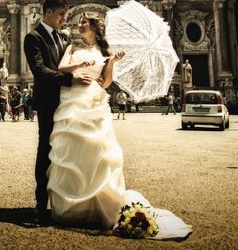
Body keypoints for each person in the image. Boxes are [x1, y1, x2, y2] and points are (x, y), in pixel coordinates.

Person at [46, 12, 191, 238]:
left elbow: (105, 83)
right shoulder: (72, 48)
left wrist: (112, 62)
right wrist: (77, 69)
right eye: (79, 22)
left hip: (94, 100)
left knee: (99, 153)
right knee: (71, 150)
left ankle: (99, 203)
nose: (79, 25)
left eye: (83, 22)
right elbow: (61, 68)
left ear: (94, 26)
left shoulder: (106, 53)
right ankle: (73, 205)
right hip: (73, 100)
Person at [23, 0, 93, 219]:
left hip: (67, 102)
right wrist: (70, 80)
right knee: (46, 149)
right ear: (49, 13)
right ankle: (41, 200)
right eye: (62, 14)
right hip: (48, 102)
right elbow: (39, 70)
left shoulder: (63, 39)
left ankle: (64, 197)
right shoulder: (33, 37)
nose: (64, 19)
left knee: (68, 150)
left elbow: (67, 67)